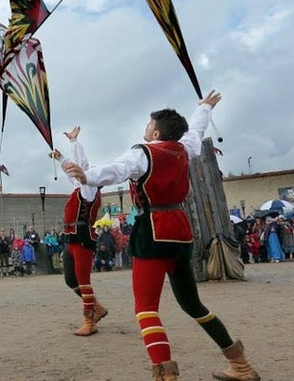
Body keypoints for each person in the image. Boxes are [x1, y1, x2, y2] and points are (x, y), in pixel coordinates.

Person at [61, 90, 259, 381]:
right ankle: (240, 364)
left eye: (148, 123)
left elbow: (117, 170)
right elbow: (196, 130)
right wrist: (204, 107)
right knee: (193, 304)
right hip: (180, 227)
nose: (145, 126)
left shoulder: (143, 152)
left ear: (155, 130)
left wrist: (87, 176)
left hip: (152, 229)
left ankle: (166, 375)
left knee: (146, 310)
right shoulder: (184, 148)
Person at [52, 127, 108, 336]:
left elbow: (80, 166)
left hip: (83, 238)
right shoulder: (79, 187)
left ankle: (89, 321)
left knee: (83, 281)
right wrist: (60, 158)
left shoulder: (89, 189)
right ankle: (98, 308)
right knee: (70, 280)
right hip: (72, 238)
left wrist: (75, 144)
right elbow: (71, 170)